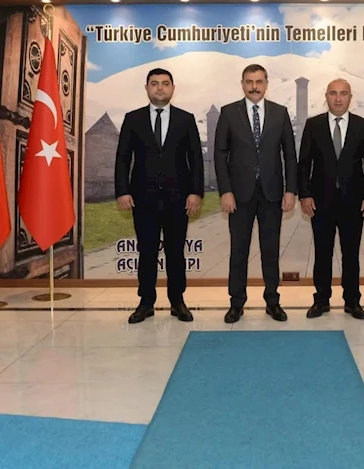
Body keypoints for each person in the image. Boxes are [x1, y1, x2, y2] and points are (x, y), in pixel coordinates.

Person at [114, 68, 204, 324]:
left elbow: (196, 159)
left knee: (176, 252)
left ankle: (177, 301)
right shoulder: (133, 119)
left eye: (165, 83)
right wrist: (122, 191)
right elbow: (123, 158)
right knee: (147, 252)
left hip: (178, 198)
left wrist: (195, 192)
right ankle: (146, 302)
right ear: (147, 88)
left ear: (173, 88)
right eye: (154, 84)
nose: (160, 88)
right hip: (143, 198)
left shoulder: (186, 119)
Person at [214, 64, 297, 323]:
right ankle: (236, 303)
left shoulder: (280, 113)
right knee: (239, 251)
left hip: (272, 193)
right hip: (239, 195)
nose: (254, 86)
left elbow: (290, 155)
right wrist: (226, 191)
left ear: (266, 83)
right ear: (242, 84)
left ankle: (273, 302)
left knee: (270, 251)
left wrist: (290, 190)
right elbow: (220, 154)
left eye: (259, 81)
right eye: (249, 81)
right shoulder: (229, 113)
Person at [297, 79, 364, 320]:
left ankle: (352, 302)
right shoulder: (314, 125)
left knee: (351, 255)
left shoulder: (363, 126)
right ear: (326, 96)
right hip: (320, 202)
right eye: (333, 93)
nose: (338, 98)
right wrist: (305, 194)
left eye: (343, 94)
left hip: (354, 202)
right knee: (322, 254)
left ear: (350, 97)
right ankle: (321, 301)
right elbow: (304, 164)